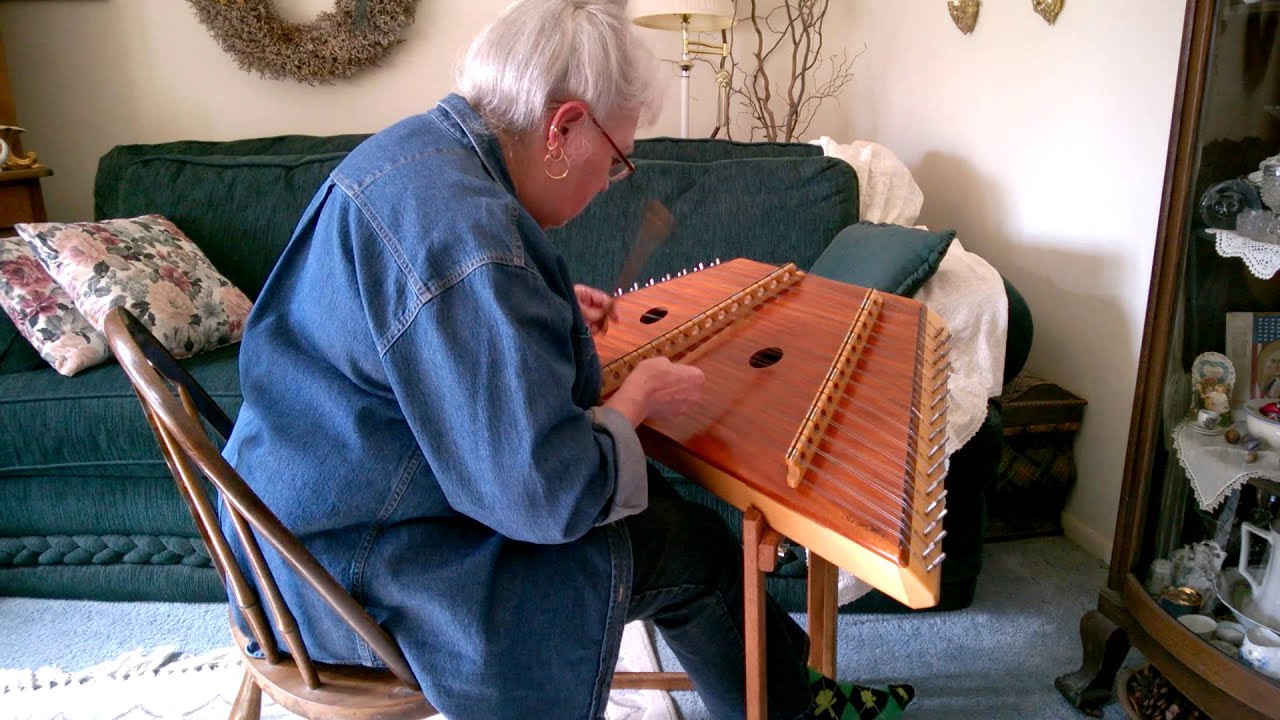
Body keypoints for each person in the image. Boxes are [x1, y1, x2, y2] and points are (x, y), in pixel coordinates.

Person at [222, 1, 914, 718]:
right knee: (698, 550)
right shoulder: (472, 240)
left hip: (288, 521)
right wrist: (636, 397)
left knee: (656, 500)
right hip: (350, 572)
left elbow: (423, 345)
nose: (608, 183)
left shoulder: (417, 153)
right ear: (563, 128)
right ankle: (797, 713)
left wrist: (537, 312)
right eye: (616, 162)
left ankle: (793, 692)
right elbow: (545, 496)